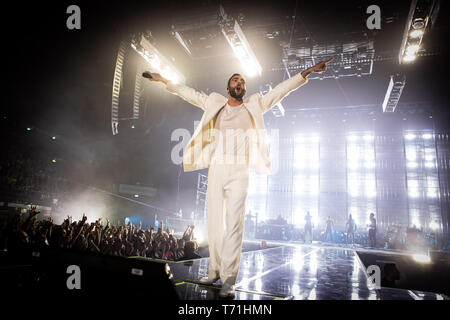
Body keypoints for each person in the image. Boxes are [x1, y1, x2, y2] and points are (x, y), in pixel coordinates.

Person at [144, 57, 333, 298]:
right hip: (217, 168)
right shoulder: (215, 102)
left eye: (242, 81)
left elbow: (280, 91)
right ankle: (214, 272)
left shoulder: (255, 104)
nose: (240, 83)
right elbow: (189, 93)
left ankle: (229, 280)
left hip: (240, 172)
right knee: (214, 224)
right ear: (228, 88)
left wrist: (307, 72)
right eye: (235, 80)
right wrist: (163, 81)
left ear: (244, 88)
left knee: (234, 226)